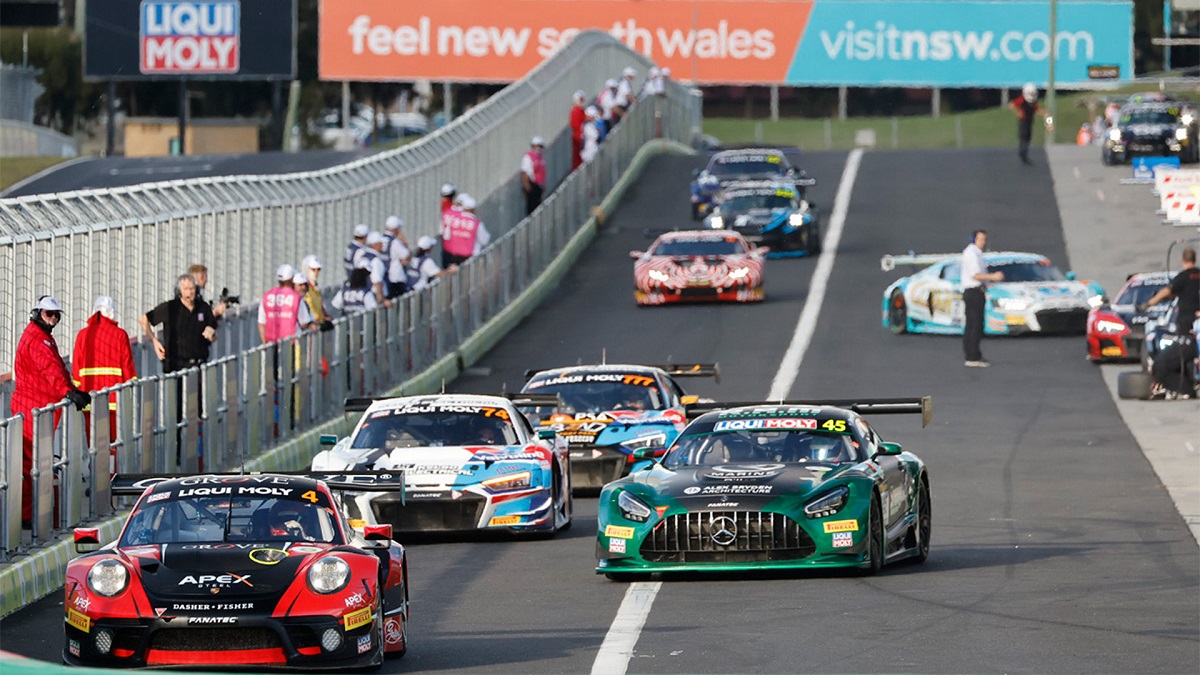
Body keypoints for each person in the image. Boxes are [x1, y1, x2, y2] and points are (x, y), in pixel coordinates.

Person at [10, 295, 89, 525]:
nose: (53, 319)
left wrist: (72, 388)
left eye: (57, 315)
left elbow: (55, 367)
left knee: (34, 463)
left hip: (36, 406)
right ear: (37, 314)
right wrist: (67, 391)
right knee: (31, 464)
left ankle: (32, 515)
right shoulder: (38, 340)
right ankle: (28, 517)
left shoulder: (41, 336)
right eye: (48, 314)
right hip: (33, 407)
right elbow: (49, 368)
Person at [72, 295, 137, 457]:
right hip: (114, 400)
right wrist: (131, 392)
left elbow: (76, 369)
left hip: (89, 400)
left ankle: (96, 477)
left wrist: (77, 393)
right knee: (113, 444)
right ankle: (111, 476)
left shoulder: (82, 335)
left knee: (94, 444)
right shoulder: (120, 335)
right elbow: (128, 368)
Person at [140, 274, 218, 373]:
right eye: (186, 289)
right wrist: (155, 341)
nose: (190, 292)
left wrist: (212, 335)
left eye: (192, 288)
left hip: (198, 365)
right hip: (175, 367)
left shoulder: (203, 307)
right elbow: (144, 319)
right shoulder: (170, 307)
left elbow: (213, 334)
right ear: (179, 291)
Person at [961, 230, 1004, 367]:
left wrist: (988, 283)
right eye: (980, 239)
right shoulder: (972, 254)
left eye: (985, 239)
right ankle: (972, 357)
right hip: (973, 292)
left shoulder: (977, 254)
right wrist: (993, 276)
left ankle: (975, 354)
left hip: (978, 291)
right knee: (974, 325)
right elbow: (975, 275)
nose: (983, 242)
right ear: (974, 239)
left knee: (975, 324)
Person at [1139, 247, 1200, 331]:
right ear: (1194, 259)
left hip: (1188, 317)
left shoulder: (1182, 277)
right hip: (1197, 315)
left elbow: (1167, 291)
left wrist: (1149, 303)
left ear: (1183, 259)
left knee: (1185, 341)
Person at [258, 264, 314, 343]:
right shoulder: (296, 298)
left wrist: (265, 344)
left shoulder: (266, 297)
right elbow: (304, 323)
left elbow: (261, 323)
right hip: (292, 342)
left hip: (271, 343)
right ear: (292, 279)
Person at [441, 193, 490, 267]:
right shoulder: (476, 223)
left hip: (451, 256)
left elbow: (445, 234)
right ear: (474, 209)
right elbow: (485, 240)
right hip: (470, 259)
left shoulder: (453, 220)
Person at [1010, 82, 1048, 165]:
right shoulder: (1022, 100)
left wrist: (1045, 113)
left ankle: (1025, 153)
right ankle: (1022, 154)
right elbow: (1012, 105)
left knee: (1028, 138)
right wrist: (1019, 113)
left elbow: (1037, 109)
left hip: (1030, 121)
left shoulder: (1033, 103)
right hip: (1023, 122)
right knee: (1023, 137)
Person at [299, 254, 333, 330]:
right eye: (313, 269)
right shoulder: (303, 290)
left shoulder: (314, 289)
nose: (316, 272)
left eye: (318, 269)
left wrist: (324, 317)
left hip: (316, 328)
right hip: (310, 329)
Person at [383, 216, 411, 298]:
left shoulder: (380, 239)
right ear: (396, 229)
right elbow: (406, 257)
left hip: (384, 276)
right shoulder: (395, 242)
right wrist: (404, 242)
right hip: (395, 278)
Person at [364, 231, 392, 308]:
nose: (383, 245)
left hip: (365, 294)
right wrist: (382, 301)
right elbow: (377, 282)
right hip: (374, 297)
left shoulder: (363, 256)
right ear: (375, 245)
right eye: (381, 243)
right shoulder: (376, 261)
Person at [520, 136, 547, 215]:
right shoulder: (528, 157)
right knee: (532, 208)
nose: (539, 148)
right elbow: (524, 173)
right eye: (538, 146)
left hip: (539, 187)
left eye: (541, 146)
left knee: (538, 208)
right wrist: (528, 189)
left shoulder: (540, 157)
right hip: (532, 185)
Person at [569, 90, 587, 170]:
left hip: (579, 136)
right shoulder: (576, 111)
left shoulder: (578, 110)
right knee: (578, 156)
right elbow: (575, 125)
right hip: (579, 136)